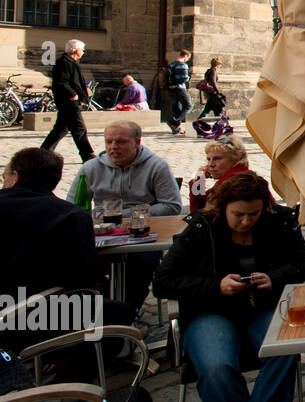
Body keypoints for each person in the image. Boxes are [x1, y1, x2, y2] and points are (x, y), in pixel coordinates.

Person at [153, 171, 305, 402]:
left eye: (253, 214)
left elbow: (303, 263)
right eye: (238, 215)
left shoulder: (278, 220)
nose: (245, 221)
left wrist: (274, 277)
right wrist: (216, 287)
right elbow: (163, 282)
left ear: (265, 207)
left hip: (263, 307)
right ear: (222, 206)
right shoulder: (201, 227)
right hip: (210, 312)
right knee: (216, 368)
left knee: (284, 351)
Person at [0, 148, 136, 363]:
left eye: (4, 176)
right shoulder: (70, 215)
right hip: (41, 315)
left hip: (14, 311)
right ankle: (74, 374)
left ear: (15, 177)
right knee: (118, 310)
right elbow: (83, 276)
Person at [66, 120, 183, 309]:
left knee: (140, 267)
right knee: (79, 265)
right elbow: (73, 206)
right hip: (103, 234)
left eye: (120, 142)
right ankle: (104, 308)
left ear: (137, 142)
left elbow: (171, 206)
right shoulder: (90, 168)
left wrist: (126, 215)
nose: (113, 147)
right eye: (108, 142)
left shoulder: (156, 166)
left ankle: (128, 310)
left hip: (144, 235)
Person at [41, 39, 95, 162]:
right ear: (76, 50)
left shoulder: (70, 62)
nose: (83, 52)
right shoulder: (64, 62)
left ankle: (44, 152)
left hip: (69, 102)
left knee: (60, 129)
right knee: (79, 129)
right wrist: (73, 94)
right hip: (68, 102)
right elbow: (61, 82)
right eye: (82, 50)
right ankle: (88, 156)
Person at [188, 135, 251, 212]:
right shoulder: (226, 181)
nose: (210, 164)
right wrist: (199, 181)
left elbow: (198, 212)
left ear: (235, 159)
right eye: (208, 159)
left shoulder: (235, 184)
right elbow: (198, 209)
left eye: (217, 158)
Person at [165, 49, 194, 135]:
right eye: (188, 58)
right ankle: (173, 121)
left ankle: (176, 128)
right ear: (185, 56)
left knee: (177, 107)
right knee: (188, 106)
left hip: (171, 88)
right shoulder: (183, 65)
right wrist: (188, 77)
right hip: (180, 88)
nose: (187, 60)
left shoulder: (172, 64)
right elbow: (183, 78)